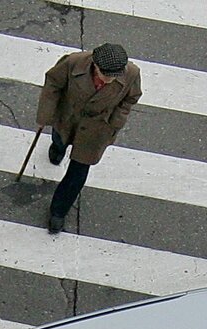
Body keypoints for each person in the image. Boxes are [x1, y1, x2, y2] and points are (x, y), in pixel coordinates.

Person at [35, 42, 142, 234]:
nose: (109, 80)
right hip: (68, 117)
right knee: (59, 140)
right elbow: (53, 84)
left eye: (114, 76)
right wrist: (45, 114)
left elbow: (131, 98)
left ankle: (58, 211)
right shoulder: (74, 62)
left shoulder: (132, 73)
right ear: (95, 65)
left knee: (78, 172)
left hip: (97, 129)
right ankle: (58, 148)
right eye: (105, 75)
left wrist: (116, 119)